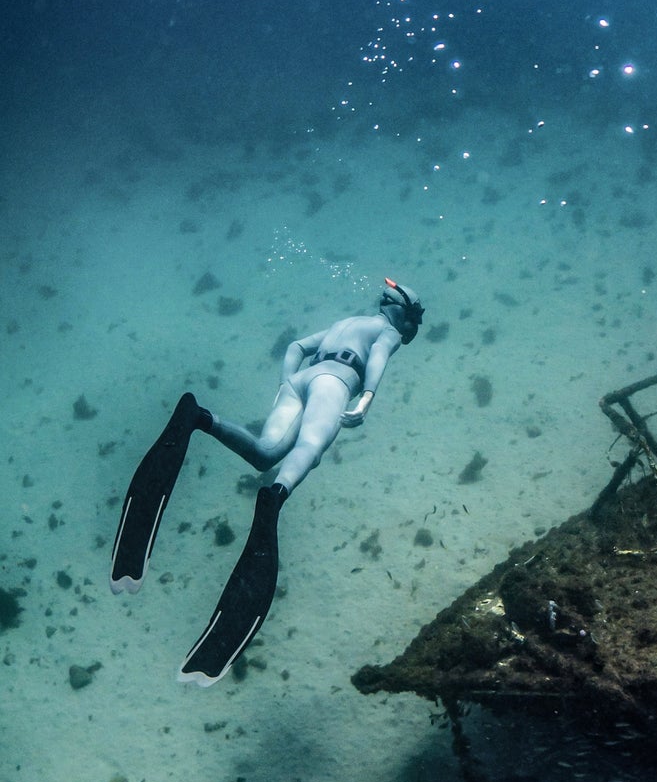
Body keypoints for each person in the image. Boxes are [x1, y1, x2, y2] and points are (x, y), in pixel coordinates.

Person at [110, 278, 425, 685]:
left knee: (264, 452)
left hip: (301, 379)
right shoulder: (386, 331)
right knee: (309, 450)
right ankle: (275, 497)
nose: (409, 327)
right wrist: (365, 398)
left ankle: (198, 418)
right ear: (399, 311)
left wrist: (286, 384)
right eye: (412, 319)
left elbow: (296, 347)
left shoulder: (345, 321)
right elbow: (379, 357)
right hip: (337, 382)